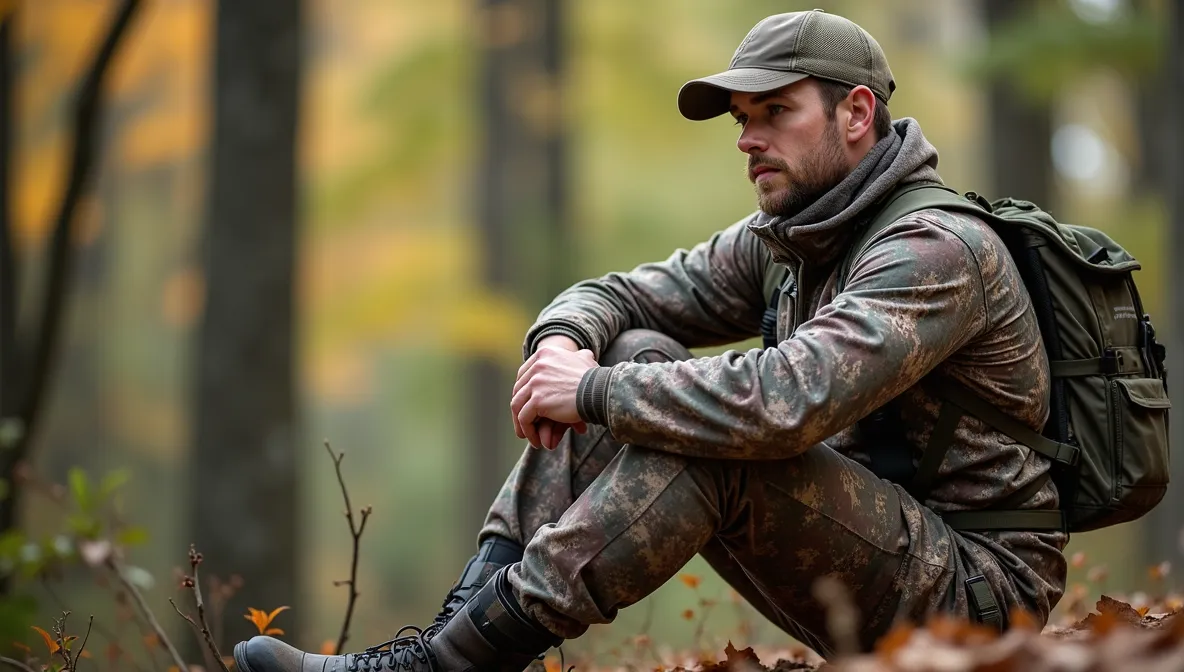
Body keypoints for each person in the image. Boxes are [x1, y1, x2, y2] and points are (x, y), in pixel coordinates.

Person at [233, 9, 1066, 672]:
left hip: (983, 598)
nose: (748, 138)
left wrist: (589, 392)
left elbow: (784, 405)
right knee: (634, 356)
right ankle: (459, 634)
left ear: (856, 113)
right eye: (743, 117)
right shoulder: (794, 238)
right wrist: (564, 342)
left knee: (698, 429)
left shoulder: (933, 252)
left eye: (775, 111)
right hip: (884, 559)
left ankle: (446, 664)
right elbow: (621, 294)